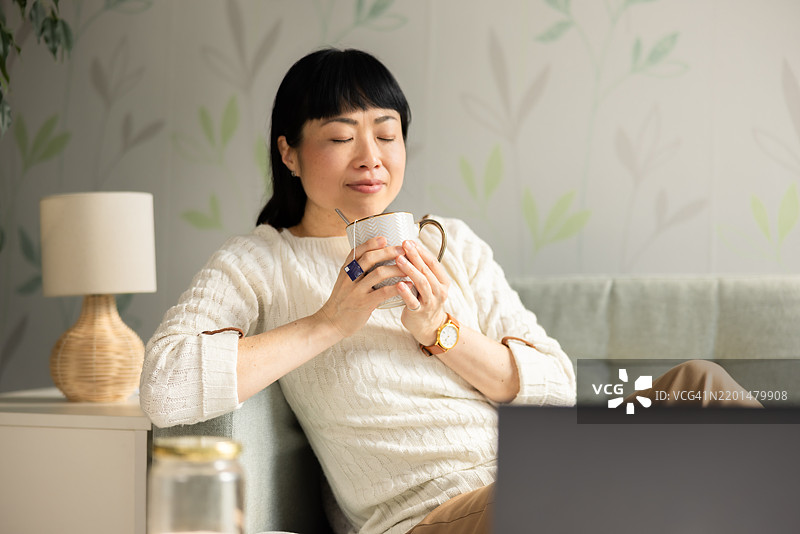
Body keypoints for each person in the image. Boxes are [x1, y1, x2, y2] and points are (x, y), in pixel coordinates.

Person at [139, 48, 758, 534]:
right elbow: (164, 386)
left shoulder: (449, 242)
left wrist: (448, 336)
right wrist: (330, 322)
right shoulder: (261, 262)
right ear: (290, 153)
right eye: (339, 136)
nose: (370, 157)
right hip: (435, 517)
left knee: (698, 388)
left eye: (386, 133)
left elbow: (557, 387)